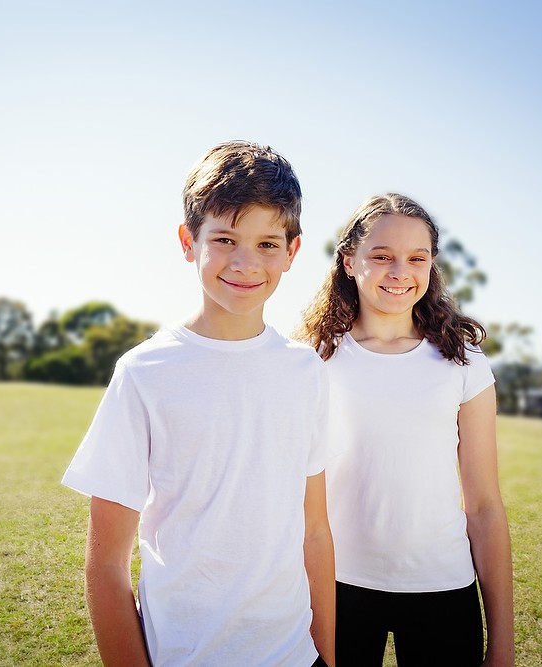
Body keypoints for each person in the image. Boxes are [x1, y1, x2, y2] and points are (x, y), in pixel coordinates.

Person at [62, 141, 336, 667]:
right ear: (189, 241)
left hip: (294, 655)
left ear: (293, 251)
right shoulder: (144, 373)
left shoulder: (305, 373)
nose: (245, 262)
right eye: (225, 239)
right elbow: (107, 567)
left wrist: (326, 654)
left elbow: (316, 532)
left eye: (266, 244)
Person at [296, 193, 514, 666]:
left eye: (417, 258)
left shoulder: (464, 363)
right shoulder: (312, 359)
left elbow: (484, 506)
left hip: (443, 586)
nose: (401, 272)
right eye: (382, 256)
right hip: (337, 587)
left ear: (431, 266)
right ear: (350, 261)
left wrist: (503, 643)